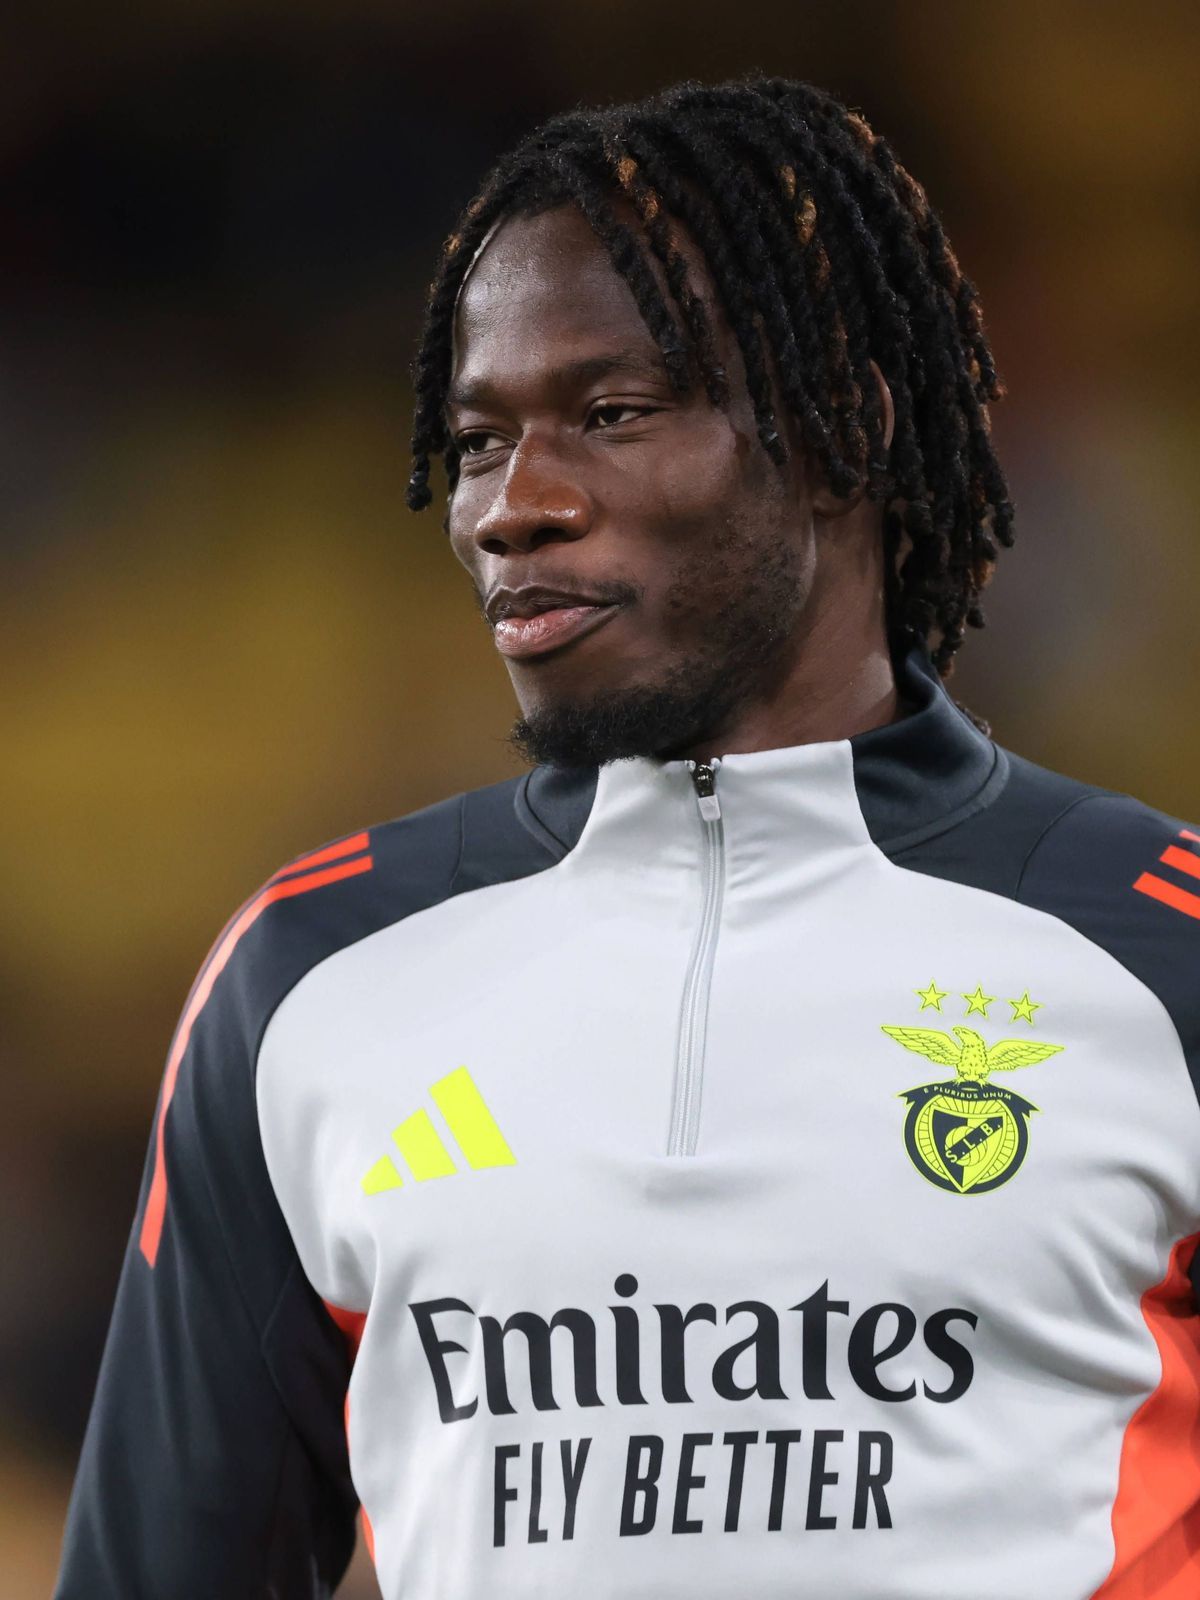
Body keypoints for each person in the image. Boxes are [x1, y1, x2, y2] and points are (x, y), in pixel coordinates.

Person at [56, 76, 1200, 1600]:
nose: (513, 507)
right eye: (476, 441)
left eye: (612, 415)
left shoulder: (1158, 947)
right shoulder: (309, 976)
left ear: (844, 427)